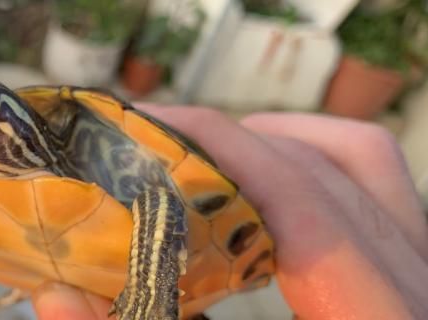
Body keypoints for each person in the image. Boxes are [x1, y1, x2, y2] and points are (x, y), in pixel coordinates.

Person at [31, 106, 428, 320]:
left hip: (185, 259)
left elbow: (160, 200)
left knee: (158, 202)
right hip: (48, 258)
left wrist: (149, 296)